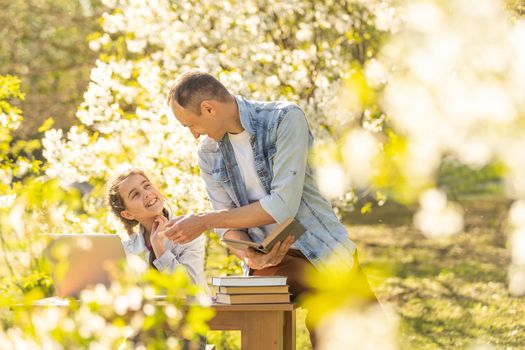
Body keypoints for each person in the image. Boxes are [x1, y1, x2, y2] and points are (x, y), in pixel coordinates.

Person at [164, 71, 377, 347]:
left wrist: (204, 221)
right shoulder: (208, 152)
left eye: (191, 125)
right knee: (261, 326)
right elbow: (226, 224)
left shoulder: (284, 119)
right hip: (270, 262)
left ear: (209, 108)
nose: (194, 135)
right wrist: (249, 256)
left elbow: (282, 205)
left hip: (321, 250)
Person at [106, 168, 207, 289]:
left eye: (147, 186)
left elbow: (190, 288)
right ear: (128, 214)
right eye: (135, 194)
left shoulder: (188, 231)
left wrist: (159, 248)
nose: (146, 193)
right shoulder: (126, 250)